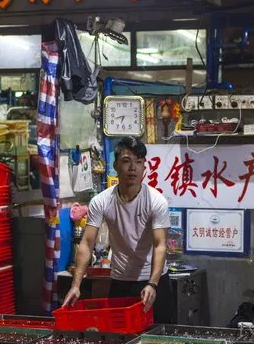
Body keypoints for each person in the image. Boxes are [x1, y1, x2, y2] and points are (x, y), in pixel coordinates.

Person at [62, 136, 173, 323]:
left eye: (138, 162)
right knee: (119, 340)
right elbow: (87, 243)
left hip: (154, 282)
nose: (133, 168)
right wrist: (76, 285)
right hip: (120, 281)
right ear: (115, 165)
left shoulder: (156, 201)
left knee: (159, 343)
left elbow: (160, 245)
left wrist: (152, 283)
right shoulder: (101, 201)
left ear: (144, 168)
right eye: (126, 161)